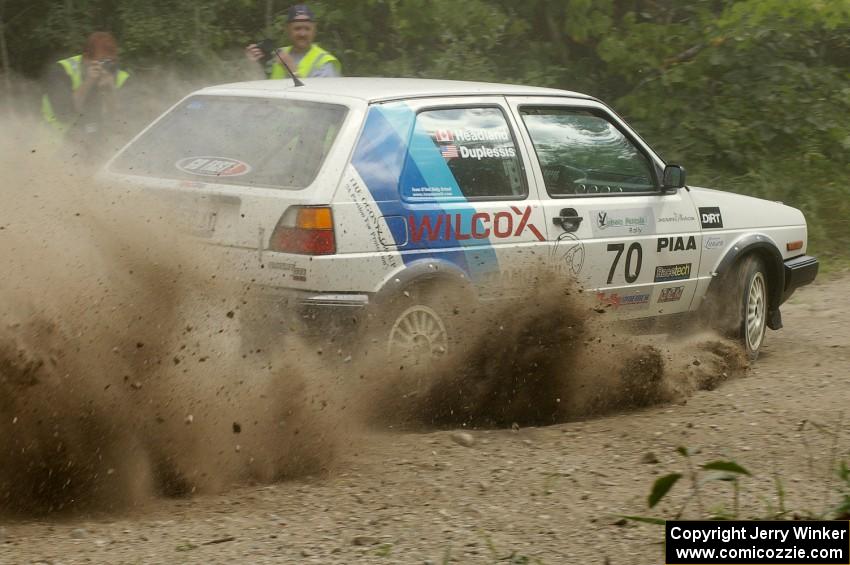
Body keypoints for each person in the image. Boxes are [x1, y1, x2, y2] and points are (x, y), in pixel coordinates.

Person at [41, 31, 131, 147]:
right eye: (102, 61)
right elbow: (64, 114)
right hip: (57, 146)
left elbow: (124, 123)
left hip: (100, 148)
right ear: (86, 58)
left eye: (110, 62)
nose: (106, 66)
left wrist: (110, 91)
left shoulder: (121, 78)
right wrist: (89, 82)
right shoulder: (62, 70)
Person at [245, 4, 341, 80]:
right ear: (287, 30)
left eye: (307, 29)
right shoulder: (278, 53)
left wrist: (293, 71)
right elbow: (261, 90)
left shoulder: (325, 63)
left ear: (314, 30)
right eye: (297, 28)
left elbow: (324, 102)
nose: (302, 34)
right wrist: (252, 65)